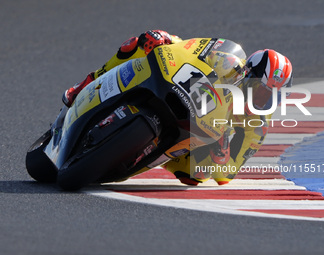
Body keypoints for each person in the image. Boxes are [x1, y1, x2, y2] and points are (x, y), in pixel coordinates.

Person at [62, 30, 293, 186]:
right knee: (146, 39)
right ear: (247, 73)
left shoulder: (258, 126)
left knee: (197, 176)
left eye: (271, 96)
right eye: (261, 90)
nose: (262, 99)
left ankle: (150, 153)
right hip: (182, 91)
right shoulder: (227, 61)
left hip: (203, 134)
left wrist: (221, 157)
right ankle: (90, 80)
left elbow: (226, 175)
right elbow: (191, 49)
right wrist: (166, 41)